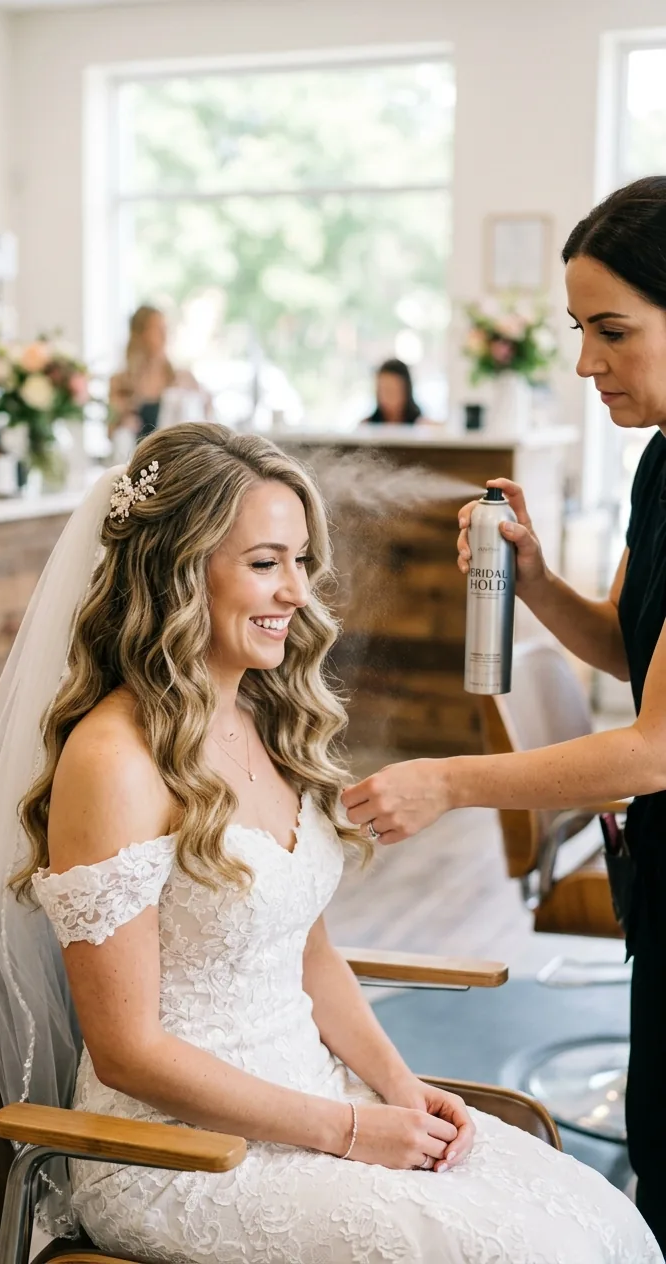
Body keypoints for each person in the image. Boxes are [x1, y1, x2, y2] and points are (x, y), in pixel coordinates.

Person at [0, 422, 657, 1262]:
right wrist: (352, 1129)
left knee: (602, 1227)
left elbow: (308, 956)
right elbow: (128, 1052)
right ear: (178, 569)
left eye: (300, 560)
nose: (297, 591)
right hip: (184, 1157)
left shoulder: (255, 716)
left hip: (315, 1097)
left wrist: (402, 1088)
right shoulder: (113, 762)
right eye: (263, 563)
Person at [342, 175, 666, 1253]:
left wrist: (444, 779)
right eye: (578, 330)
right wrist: (530, 580)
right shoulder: (661, 464)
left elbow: (655, 746)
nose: (584, 364)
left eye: (611, 330)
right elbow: (626, 645)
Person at [107, 304, 208, 442]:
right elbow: (110, 433)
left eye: (165, 329)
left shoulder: (182, 378)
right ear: (140, 334)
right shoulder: (121, 382)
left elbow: (207, 421)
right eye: (157, 329)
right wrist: (122, 421)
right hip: (136, 460)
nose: (164, 335)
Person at [363, 358, 422, 425]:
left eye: (391, 391)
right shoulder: (366, 427)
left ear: (406, 390)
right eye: (382, 390)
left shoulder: (424, 428)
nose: (385, 397)